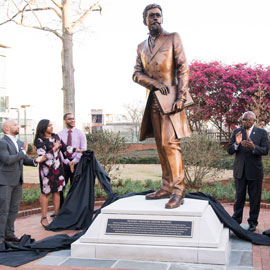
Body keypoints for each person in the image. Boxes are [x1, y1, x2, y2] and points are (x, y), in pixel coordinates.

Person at [132, 4, 192, 209]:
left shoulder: (173, 37)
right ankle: (166, 186)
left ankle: (178, 189)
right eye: (151, 16)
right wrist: (154, 84)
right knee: (160, 146)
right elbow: (136, 74)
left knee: (170, 144)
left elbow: (183, 68)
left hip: (172, 101)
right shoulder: (141, 46)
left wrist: (181, 97)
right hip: (153, 103)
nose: (156, 18)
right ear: (145, 20)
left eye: (158, 15)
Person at [0, 120, 43, 244]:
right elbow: (7, 160)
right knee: (3, 210)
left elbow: (23, 159)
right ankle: (0, 238)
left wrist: (35, 161)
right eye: (14, 125)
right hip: (5, 181)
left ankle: (9, 234)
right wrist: (23, 152)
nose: (17, 126)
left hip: (18, 181)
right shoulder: (2, 143)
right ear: (6, 128)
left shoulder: (19, 143)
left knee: (13, 209)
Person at [34, 119, 82, 227]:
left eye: (52, 125)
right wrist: (54, 148)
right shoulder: (39, 140)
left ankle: (57, 216)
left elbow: (66, 148)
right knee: (46, 193)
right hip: (46, 171)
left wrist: (79, 150)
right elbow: (42, 157)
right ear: (43, 127)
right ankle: (44, 218)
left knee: (57, 192)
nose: (52, 127)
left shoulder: (56, 137)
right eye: (49, 125)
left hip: (57, 169)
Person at [227, 111, 269, 232]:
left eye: (246, 120)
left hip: (255, 172)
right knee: (239, 197)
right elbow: (230, 150)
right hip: (240, 171)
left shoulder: (262, 133)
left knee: (254, 198)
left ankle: (252, 223)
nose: (244, 122)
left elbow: (266, 150)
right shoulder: (237, 132)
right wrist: (236, 143)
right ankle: (236, 220)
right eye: (243, 120)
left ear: (253, 121)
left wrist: (254, 147)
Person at [58, 113, 87, 207]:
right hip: (63, 164)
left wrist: (74, 162)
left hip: (77, 164)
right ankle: (61, 209)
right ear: (65, 120)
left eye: (73, 119)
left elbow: (83, 149)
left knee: (76, 187)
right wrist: (67, 162)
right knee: (61, 187)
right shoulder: (59, 134)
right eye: (69, 119)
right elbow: (59, 151)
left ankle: (74, 209)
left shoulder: (80, 133)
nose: (72, 120)